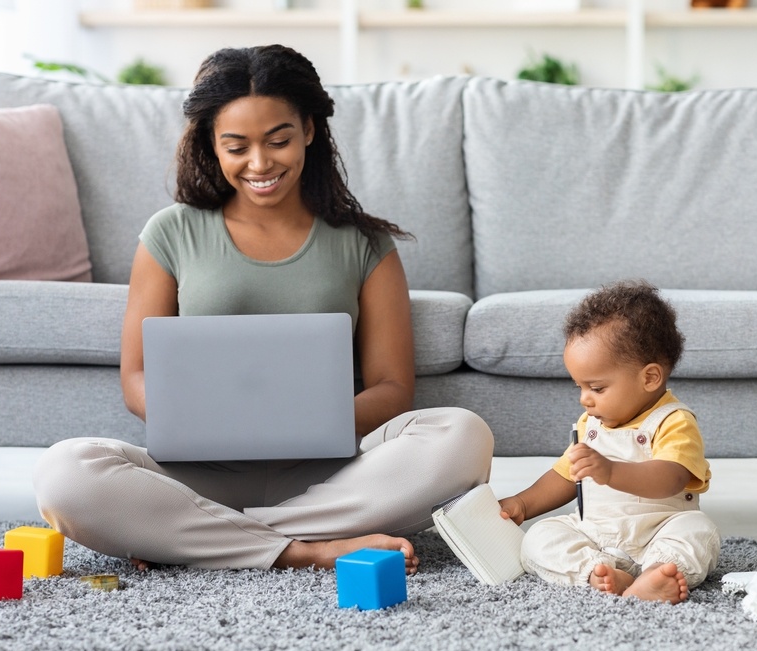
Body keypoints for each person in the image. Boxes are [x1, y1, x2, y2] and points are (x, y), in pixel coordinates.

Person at [33, 45, 493, 573]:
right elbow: (137, 377)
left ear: (310, 131)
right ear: (212, 144)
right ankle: (306, 549)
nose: (260, 164)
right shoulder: (171, 232)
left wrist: (306, 421)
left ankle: (198, 536)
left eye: (279, 140)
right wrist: (210, 418)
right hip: (198, 472)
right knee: (64, 472)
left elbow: (392, 387)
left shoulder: (363, 242)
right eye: (237, 147)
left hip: (331, 475)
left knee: (463, 436)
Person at [497, 280, 720, 603]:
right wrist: (522, 503)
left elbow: (670, 478)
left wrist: (610, 471)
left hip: (660, 530)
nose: (585, 400)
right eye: (580, 388)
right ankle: (598, 572)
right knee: (538, 540)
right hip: (596, 535)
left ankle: (658, 573)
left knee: (699, 532)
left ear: (649, 378)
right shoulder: (591, 424)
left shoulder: (674, 421)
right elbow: (564, 475)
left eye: (597, 388)